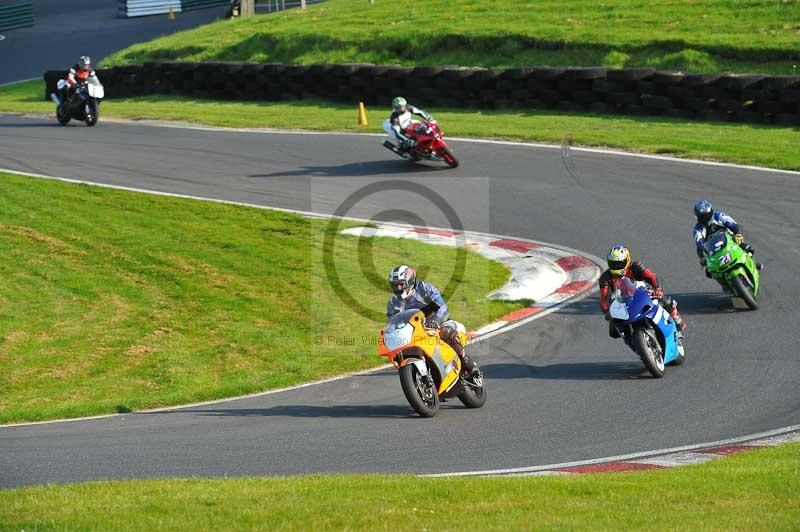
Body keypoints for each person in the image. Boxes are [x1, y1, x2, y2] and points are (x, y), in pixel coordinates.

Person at [386, 264, 481, 379]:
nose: (398, 288)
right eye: (395, 286)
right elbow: (392, 323)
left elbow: (442, 307)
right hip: (416, 334)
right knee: (403, 353)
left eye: (401, 284)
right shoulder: (392, 303)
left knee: (446, 333)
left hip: (439, 324)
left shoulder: (425, 289)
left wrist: (435, 321)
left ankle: (466, 363)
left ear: (410, 281)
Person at [599, 245, 687, 337]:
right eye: (613, 264)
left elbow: (652, 277)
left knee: (665, 300)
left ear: (626, 261)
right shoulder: (605, 278)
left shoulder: (636, 267)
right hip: (622, 303)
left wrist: (657, 289)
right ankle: (632, 340)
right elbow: (604, 298)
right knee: (613, 332)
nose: (616, 267)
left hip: (642, 293)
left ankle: (676, 319)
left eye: (619, 264)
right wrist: (607, 311)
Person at [693, 200, 762, 271]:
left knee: (748, 248)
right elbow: (699, 244)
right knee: (708, 271)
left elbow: (735, 225)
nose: (705, 218)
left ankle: (753, 263)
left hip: (731, 242)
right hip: (714, 252)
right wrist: (703, 258)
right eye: (702, 216)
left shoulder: (719, 216)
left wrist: (738, 234)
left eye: (706, 215)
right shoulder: (698, 229)